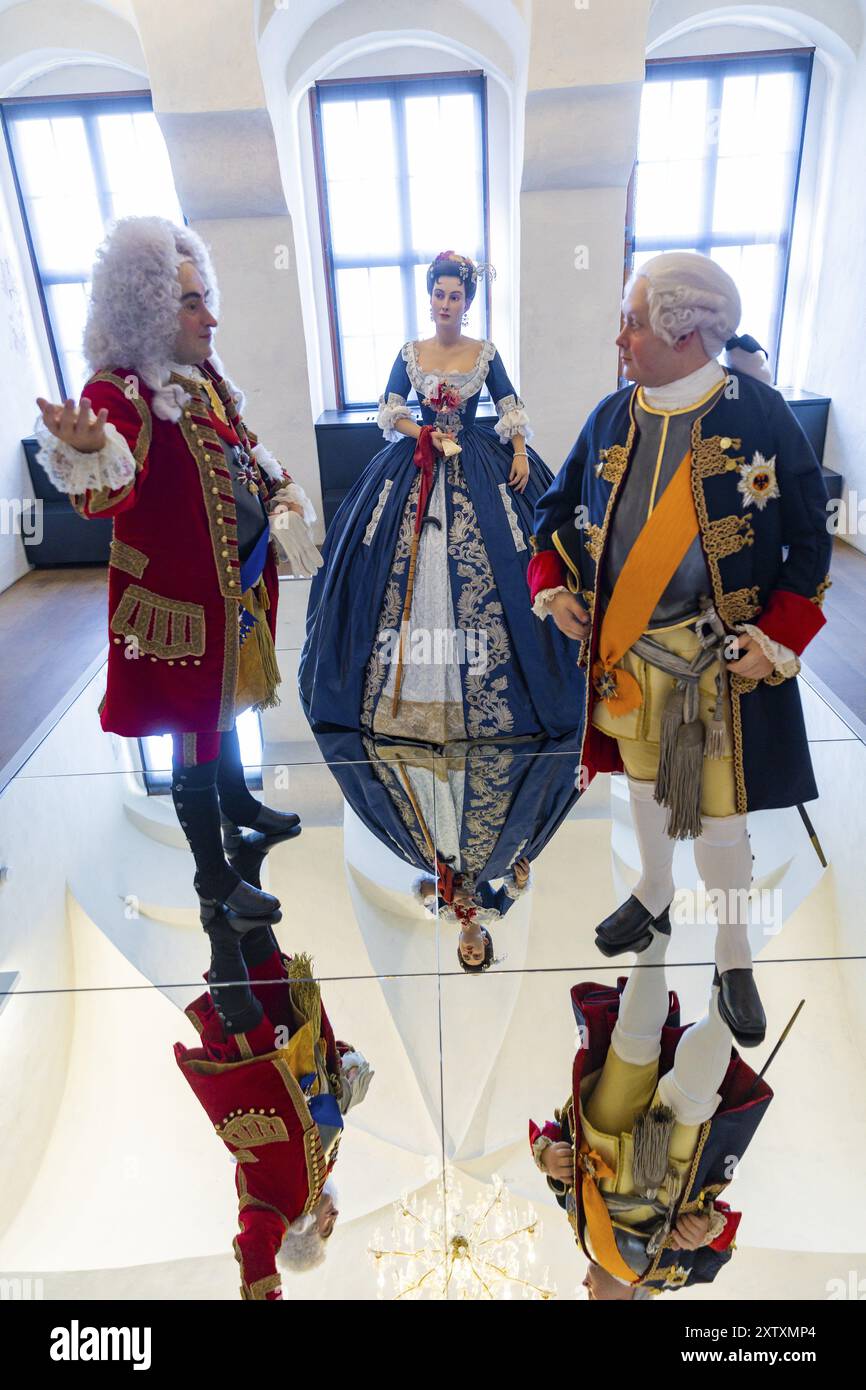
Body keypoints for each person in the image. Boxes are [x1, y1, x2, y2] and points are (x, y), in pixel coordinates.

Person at [528, 252, 832, 1045]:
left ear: (686, 331)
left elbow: (810, 535)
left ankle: (734, 955)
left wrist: (780, 640)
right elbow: (556, 512)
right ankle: (653, 895)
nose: (620, 336)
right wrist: (551, 587)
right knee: (644, 790)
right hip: (626, 655)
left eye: (631, 321)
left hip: (719, 666)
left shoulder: (761, 415)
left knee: (721, 818)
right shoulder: (610, 417)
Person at [34, 217, 321, 928]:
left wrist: (279, 489)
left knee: (224, 713)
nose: (209, 316)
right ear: (148, 309)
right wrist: (90, 448)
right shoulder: (119, 391)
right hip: (177, 605)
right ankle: (212, 880)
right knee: (193, 735)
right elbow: (106, 487)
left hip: (232, 587)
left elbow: (243, 447)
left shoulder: (201, 376)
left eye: (203, 297)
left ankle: (241, 804)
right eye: (190, 303)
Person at [299, 250, 584, 743]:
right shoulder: (411, 352)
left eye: (455, 296)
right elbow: (390, 411)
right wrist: (422, 434)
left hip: (477, 457)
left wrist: (519, 452)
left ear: (466, 302)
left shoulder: (484, 352)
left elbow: (509, 404)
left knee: (499, 553)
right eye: (439, 294)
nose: (446, 303)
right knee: (388, 556)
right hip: (420, 457)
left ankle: (501, 684)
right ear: (429, 298)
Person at [529, 926, 773, 1298]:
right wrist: (705, 1228)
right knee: (689, 1098)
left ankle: (652, 941)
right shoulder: (679, 1275)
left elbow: (553, 1141)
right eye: (592, 1300)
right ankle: (722, 1001)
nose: (584, 1288)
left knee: (632, 1048)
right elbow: (724, 1240)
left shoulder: (579, 1227)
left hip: (602, 1146)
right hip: (661, 1178)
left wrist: (549, 1157)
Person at [175, 926, 373, 1298]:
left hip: (258, 1073)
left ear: (302, 1234)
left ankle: (214, 904)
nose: (334, 1217)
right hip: (292, 1047)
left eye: (326, 1228)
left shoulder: (273, 1215)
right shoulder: (321, 1171)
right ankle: (246, 884)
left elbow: (254, 1251)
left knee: (238, 988)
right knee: (264, 957)